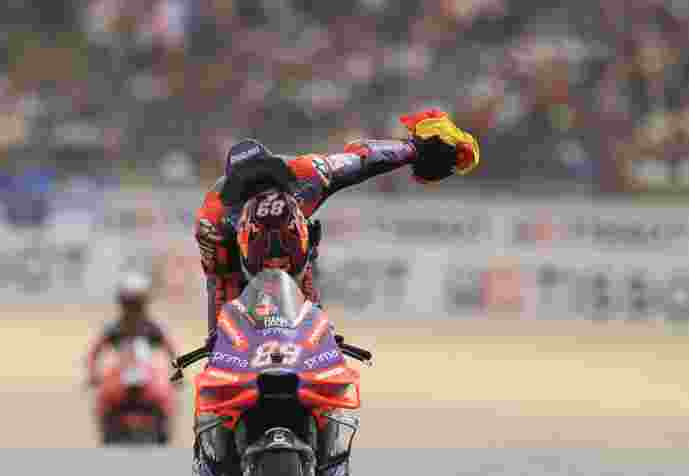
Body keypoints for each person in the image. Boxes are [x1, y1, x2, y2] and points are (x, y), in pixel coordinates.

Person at [193, 108, 482, 336]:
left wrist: (415, 148)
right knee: (225, 337)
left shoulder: (309, 172)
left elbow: (362, 157)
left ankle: (320, 350)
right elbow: (219, 281)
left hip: (300, 263)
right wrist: (217, 342)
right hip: (237, 266)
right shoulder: (213, 219)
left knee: (313, 328)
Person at [85, 272, 179, 387]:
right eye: (129, 304)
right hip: (118, 382)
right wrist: (92, 373)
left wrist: (176, 373)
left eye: (137, 305)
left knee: (165, 399)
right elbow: (94, 352)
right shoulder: (113, 328)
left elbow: (172, 351)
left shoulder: (154, 328)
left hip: (150, 382)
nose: (133, 311)